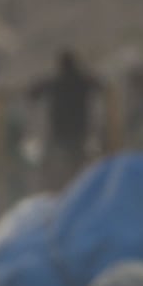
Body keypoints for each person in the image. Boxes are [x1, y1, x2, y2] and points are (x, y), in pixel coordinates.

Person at [27, 49, 102, 188]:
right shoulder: (82, 81)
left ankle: (58, 188)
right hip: (78, 131)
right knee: (78, 164)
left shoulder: (57, 82)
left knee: (55, 164)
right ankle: (78, 187)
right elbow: (101, 86)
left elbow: (33, 92)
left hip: (61, 133)